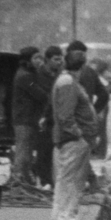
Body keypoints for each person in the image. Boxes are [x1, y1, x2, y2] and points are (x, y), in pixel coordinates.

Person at [51, 44, 98, 220]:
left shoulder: (67, 81)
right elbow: (65, 116)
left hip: (71, 140)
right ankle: (66, 219)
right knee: (73, 181)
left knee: (66, 179)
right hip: (73, 141)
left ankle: (60, 217)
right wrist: (80, 135)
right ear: (82, 67)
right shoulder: (69, 83)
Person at [70, 39, 110, 163]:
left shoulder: (66, 72)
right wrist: (94, 110)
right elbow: (104, 94)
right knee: (84, 153)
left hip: (71, 118)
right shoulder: (90, 72)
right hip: (86, 118)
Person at [11, 45, 44, 187]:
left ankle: (24, 180)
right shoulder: (25, 77)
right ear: (27, 60)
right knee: (23, 152)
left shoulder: (28, 74)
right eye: (36, 58)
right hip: (24, 119)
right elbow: (38, 93)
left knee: (27, 152)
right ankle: (17, 180)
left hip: (29, 118)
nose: (39, 61)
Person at [34, 46, 62, 187]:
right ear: (47, 60)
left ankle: (50, 180)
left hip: (55, 118)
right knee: (43, 151)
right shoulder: (38, 75)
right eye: (56, 59)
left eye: (60, 58)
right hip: (42, 119)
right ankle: (45, 180)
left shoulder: (60, 74)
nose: (59, 62)